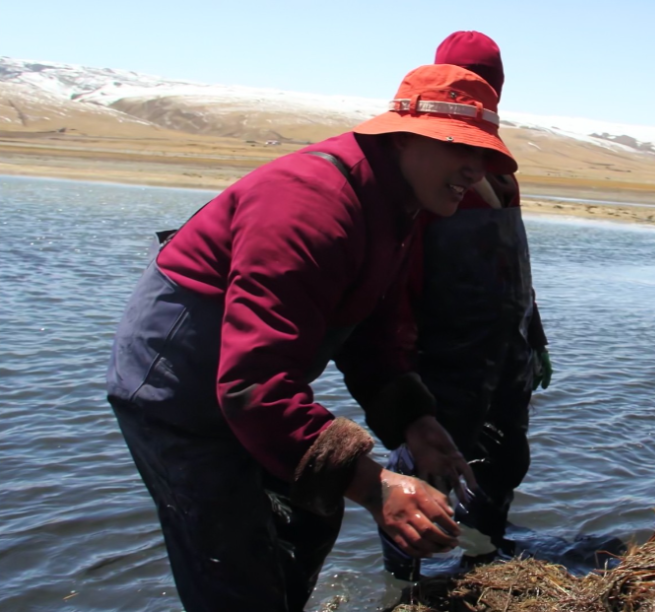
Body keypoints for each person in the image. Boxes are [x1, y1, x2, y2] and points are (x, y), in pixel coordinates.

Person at [105, 63, 516, 611]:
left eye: (485, 154)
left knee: (309, 519)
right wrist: (377, 488)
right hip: (178, 391)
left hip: (246, 384)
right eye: (460, 149)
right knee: (234, 568)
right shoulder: (311, 205)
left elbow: (373, 333)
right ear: (402, 137)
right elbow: (253, 386)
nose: (475, 169)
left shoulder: (395, 207)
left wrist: (415, 422)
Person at [373, 31, 552, 579]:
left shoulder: (497, 172)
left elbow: (516, 266)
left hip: (505, 347)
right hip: (445, 344)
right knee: (427, 460)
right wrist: (404, 354)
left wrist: (535, 337)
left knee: (505, 457)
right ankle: (401, 578)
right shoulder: (431, 171)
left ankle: (483, 558)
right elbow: (402, 271)